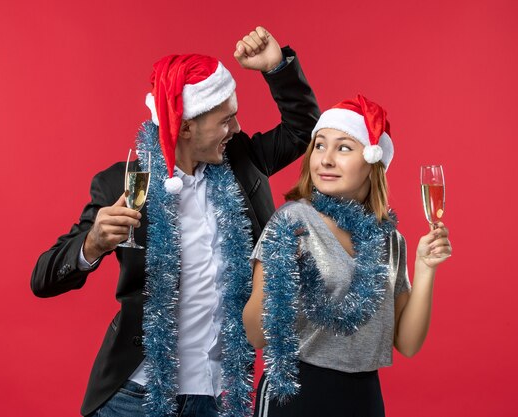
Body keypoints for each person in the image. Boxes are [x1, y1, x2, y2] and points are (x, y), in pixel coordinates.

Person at [31, 26, 319, 417]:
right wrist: (92, 244)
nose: (235, 129)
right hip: (137, 395)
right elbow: (43, 279)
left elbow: (304, 130)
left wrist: (276, 67)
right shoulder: (122, 183)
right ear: (185, 127)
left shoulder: (242, 162)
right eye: (225, 121)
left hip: (221, 394)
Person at [243, 95, 452, 417]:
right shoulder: (292, 222)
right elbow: (256, 335)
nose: (325, 160)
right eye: (320, 145)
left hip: (363, 395)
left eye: (343, 147)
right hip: (295, 392)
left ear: (373, 162)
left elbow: (407, 343)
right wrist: (279, 267)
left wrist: (425, 267)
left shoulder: (389, 238)